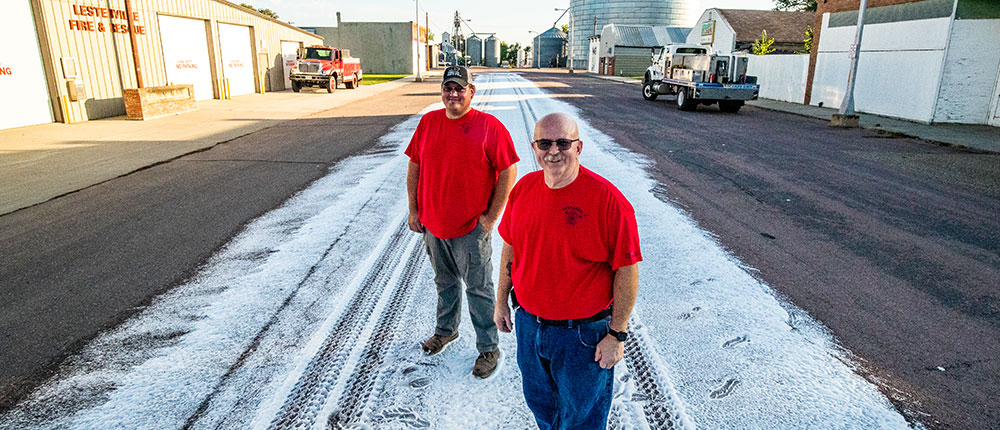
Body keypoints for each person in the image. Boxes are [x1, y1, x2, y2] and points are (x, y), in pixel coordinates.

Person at [494, 113, 641, 429]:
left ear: (579, 147)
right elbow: (510, 246)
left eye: (563, 142)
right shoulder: (523, 190)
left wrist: (616, 334)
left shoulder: (608, 201)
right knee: (542, 407)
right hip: (530, 327)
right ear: (535, 147)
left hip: (582, 338)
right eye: (545, 143)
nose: (554, 151)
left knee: (581, 417)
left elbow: (627, 270)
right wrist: (500, 301)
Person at [405, 66, 519, 379]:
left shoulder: (489, 126)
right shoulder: (428, 122)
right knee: (445, 284)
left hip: (471, 229)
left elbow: (509, 171)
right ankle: (446, 331)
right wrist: (414, 210)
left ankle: (488, 347)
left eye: (460, 88)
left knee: (479, 290)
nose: (453, 94)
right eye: (448, 88)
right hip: (433, 225)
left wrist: (490, 218)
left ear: (471, 92)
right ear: (442, 91)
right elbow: (415, 166)